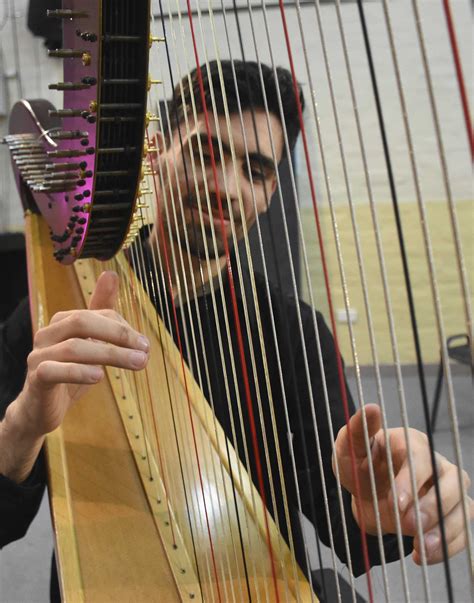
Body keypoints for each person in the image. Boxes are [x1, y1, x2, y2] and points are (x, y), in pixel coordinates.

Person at [0, 60, 471, 600]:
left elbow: (348, 520)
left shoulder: (293, 330)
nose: (226, 186)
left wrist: (391, 504)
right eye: (205, 153)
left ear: (271, 192)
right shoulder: (57, 320)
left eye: (255, 169)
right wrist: (20, 429)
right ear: (155, 154)